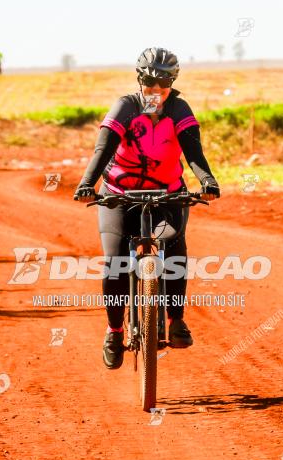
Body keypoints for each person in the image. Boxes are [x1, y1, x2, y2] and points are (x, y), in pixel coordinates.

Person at [73, 47, 220, 369]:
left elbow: (193, 150)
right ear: (140, 81)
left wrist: (207, 181)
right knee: (115, 263)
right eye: (150, 85)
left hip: (167, 192)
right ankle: (114, 332)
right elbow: (104, 148)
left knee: (175, 246)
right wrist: (88, 183)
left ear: (172, 84)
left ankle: (176, 320)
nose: (156, 92)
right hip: (119, 193)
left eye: (163, 86)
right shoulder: (126, 106)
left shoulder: (179, 108)